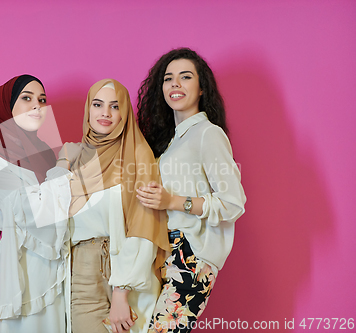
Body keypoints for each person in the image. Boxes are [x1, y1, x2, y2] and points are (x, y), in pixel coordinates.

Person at [136, 48, 246, 332]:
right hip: (166, 249)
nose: (175, 84)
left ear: (200, 89)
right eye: (168, 78)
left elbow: (233, 203)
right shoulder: (173, 141)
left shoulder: (208, 133)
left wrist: (173, 201)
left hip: (191, 252)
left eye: (185, 77)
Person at [0, 75, 79, 332]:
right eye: (26, 98)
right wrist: (64, 165)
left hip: (55, 271)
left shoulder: (45, 156)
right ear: (5, 108)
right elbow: (34, 214)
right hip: (23, 275)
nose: (38, 106)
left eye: (42, 100)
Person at [68, 79, 170, 333]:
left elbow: (144, 225)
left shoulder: (138, 154)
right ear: (88, 110)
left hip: (123, 269)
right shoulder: (76, 158)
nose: (105, 113)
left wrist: (121, 293)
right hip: (81, 268)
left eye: (115, 106)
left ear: (125, 113)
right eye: (98, 104)